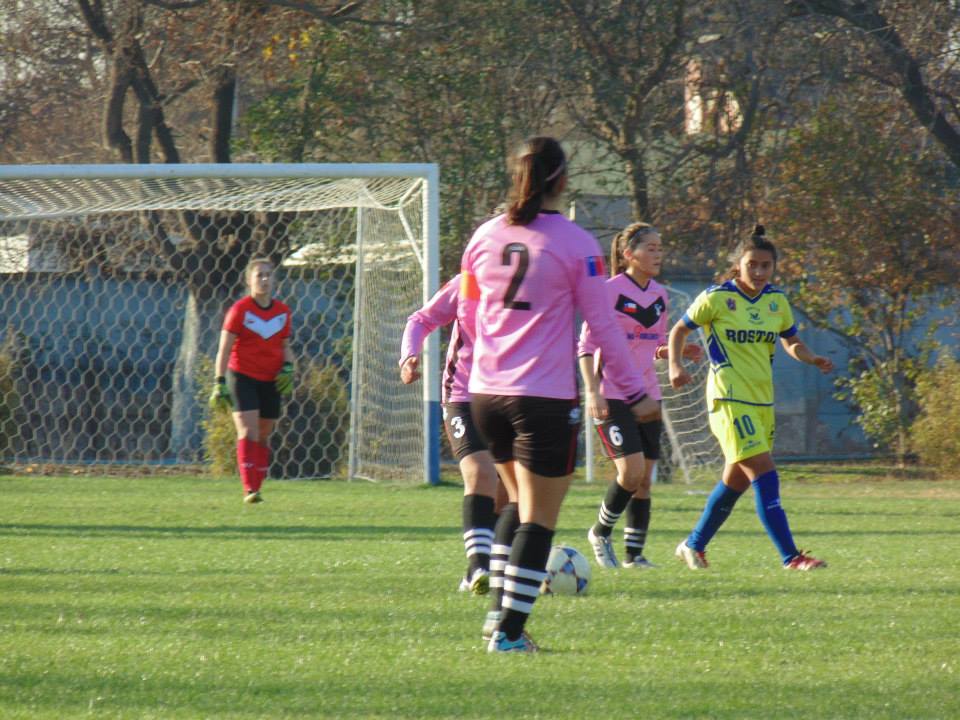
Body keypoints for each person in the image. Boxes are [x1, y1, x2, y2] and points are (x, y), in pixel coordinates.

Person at [461, 136, 658, 653]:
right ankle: (507, 635)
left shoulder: (483, 236)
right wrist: (636, 392)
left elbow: (468, 316)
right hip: (540, 398)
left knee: (516, 505)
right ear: (561, 179)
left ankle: (497, 618)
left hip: (485, 393)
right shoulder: (576, 244)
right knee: (537, 520)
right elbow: (603, 327)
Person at [668, 225, 832, 570]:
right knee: (764, 472)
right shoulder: (716, 298)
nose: (758, 272)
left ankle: (694, 544)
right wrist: (675, 365)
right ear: (737, 264)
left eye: (765, 266)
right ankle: (792, 557)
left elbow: (790, 341)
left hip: (761, 401)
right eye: (751, 264)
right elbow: (680, 329)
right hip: (728, 399)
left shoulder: (777, 302)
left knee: (737, 479)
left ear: (773, 267)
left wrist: (811, 357)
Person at [579, 222, 703, 570]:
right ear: (628, 253)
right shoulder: (608, 291)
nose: (658, 253)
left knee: (644, 480)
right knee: (630, 472)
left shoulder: (661, 296)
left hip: (647, 395)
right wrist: (591, 391)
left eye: (660, 247)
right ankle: (600, 532)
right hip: (613, 395)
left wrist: (673, 354)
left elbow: (650, 346)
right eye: (650, 247)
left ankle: (635, 556)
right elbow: (586, 346)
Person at [399, 274, 508, 596]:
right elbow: (422, 319)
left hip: (508, 398)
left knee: (506, 492)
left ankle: (480, 568)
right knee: (481, 473)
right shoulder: (468, 282)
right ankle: (478, 568)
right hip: (461, 396)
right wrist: (409, 355)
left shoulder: (531, 284)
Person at [209, 258, 294, 504]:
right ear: (249, 280)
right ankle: (250, 489)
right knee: (248, 430)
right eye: (259, 275)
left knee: (264, 433)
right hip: (242, 376)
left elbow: (285, 346)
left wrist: (289, 368)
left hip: (271, 379)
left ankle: (256, 486)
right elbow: (224, 349)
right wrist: (219, 380)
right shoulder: (240, 310)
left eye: (268, 275)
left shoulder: (282, 312)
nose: (265, 279)